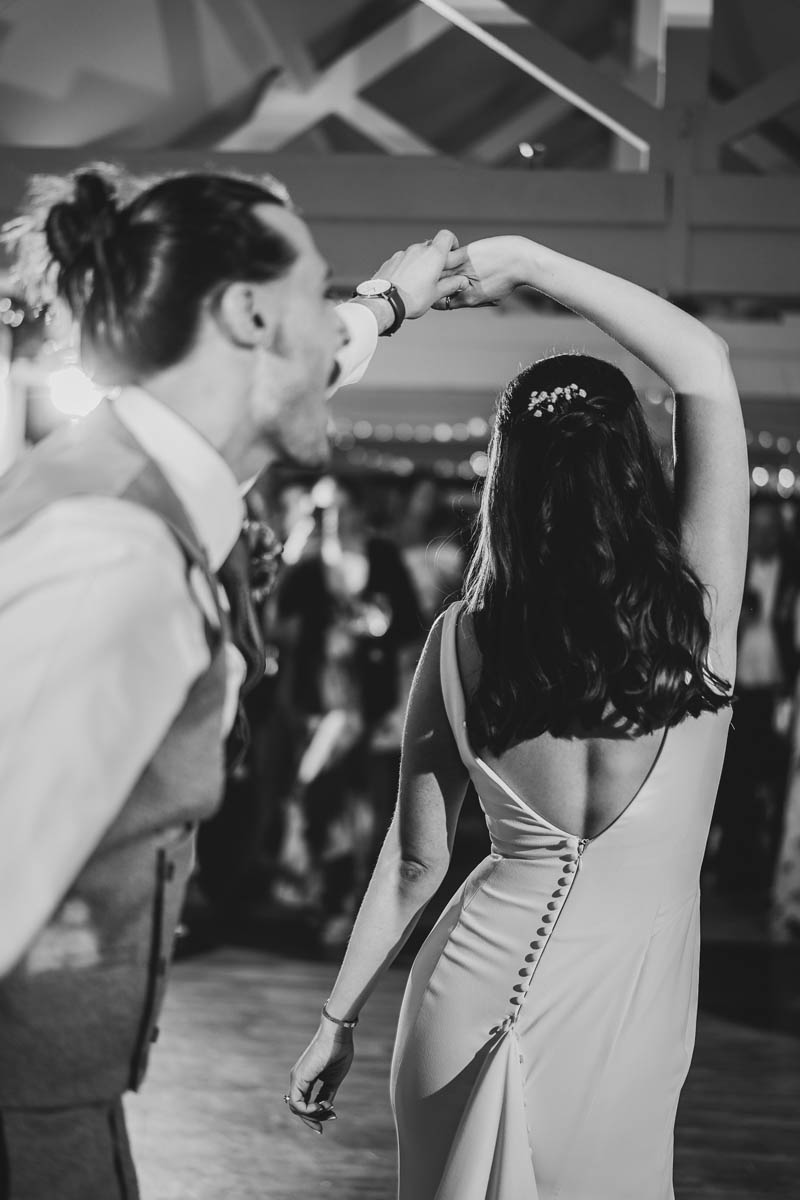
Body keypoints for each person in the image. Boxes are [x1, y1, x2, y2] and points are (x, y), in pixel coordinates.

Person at [0, 162, 469, 1200]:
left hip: (63, 1100)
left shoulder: (153, 469)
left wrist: (390, 304)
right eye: (319, 289)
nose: (327, 323)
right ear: (252, 316)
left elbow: (319, 361)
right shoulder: (114, 559)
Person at [287, 234, 747, 1199]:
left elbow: (415, 865)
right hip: (624, 1029)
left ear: (506, 478)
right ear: (635, 469)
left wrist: (337, 1020)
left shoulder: (459, 641)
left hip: (458, 1003)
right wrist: (533, 265)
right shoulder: (700, 611)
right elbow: (702, 361)